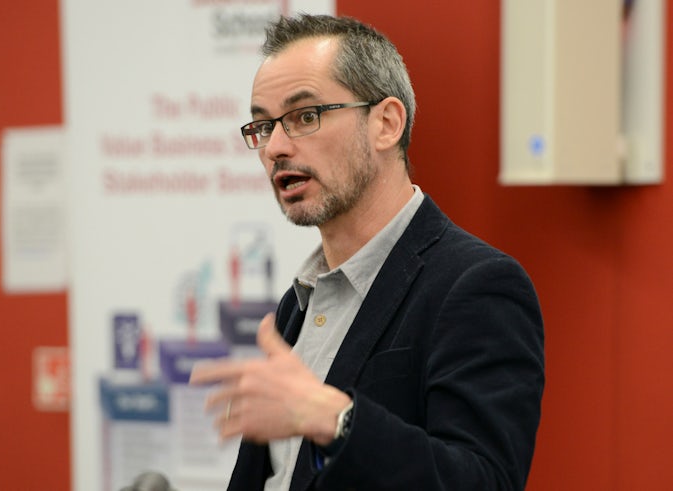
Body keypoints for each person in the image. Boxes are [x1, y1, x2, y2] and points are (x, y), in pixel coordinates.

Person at [189, 13, 544, 491]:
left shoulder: (476, 285)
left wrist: (335, 419)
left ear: (386, 124)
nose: (275, 147)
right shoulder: (298, 304)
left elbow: (485, 481)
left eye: (305, 116)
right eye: (264, 126)